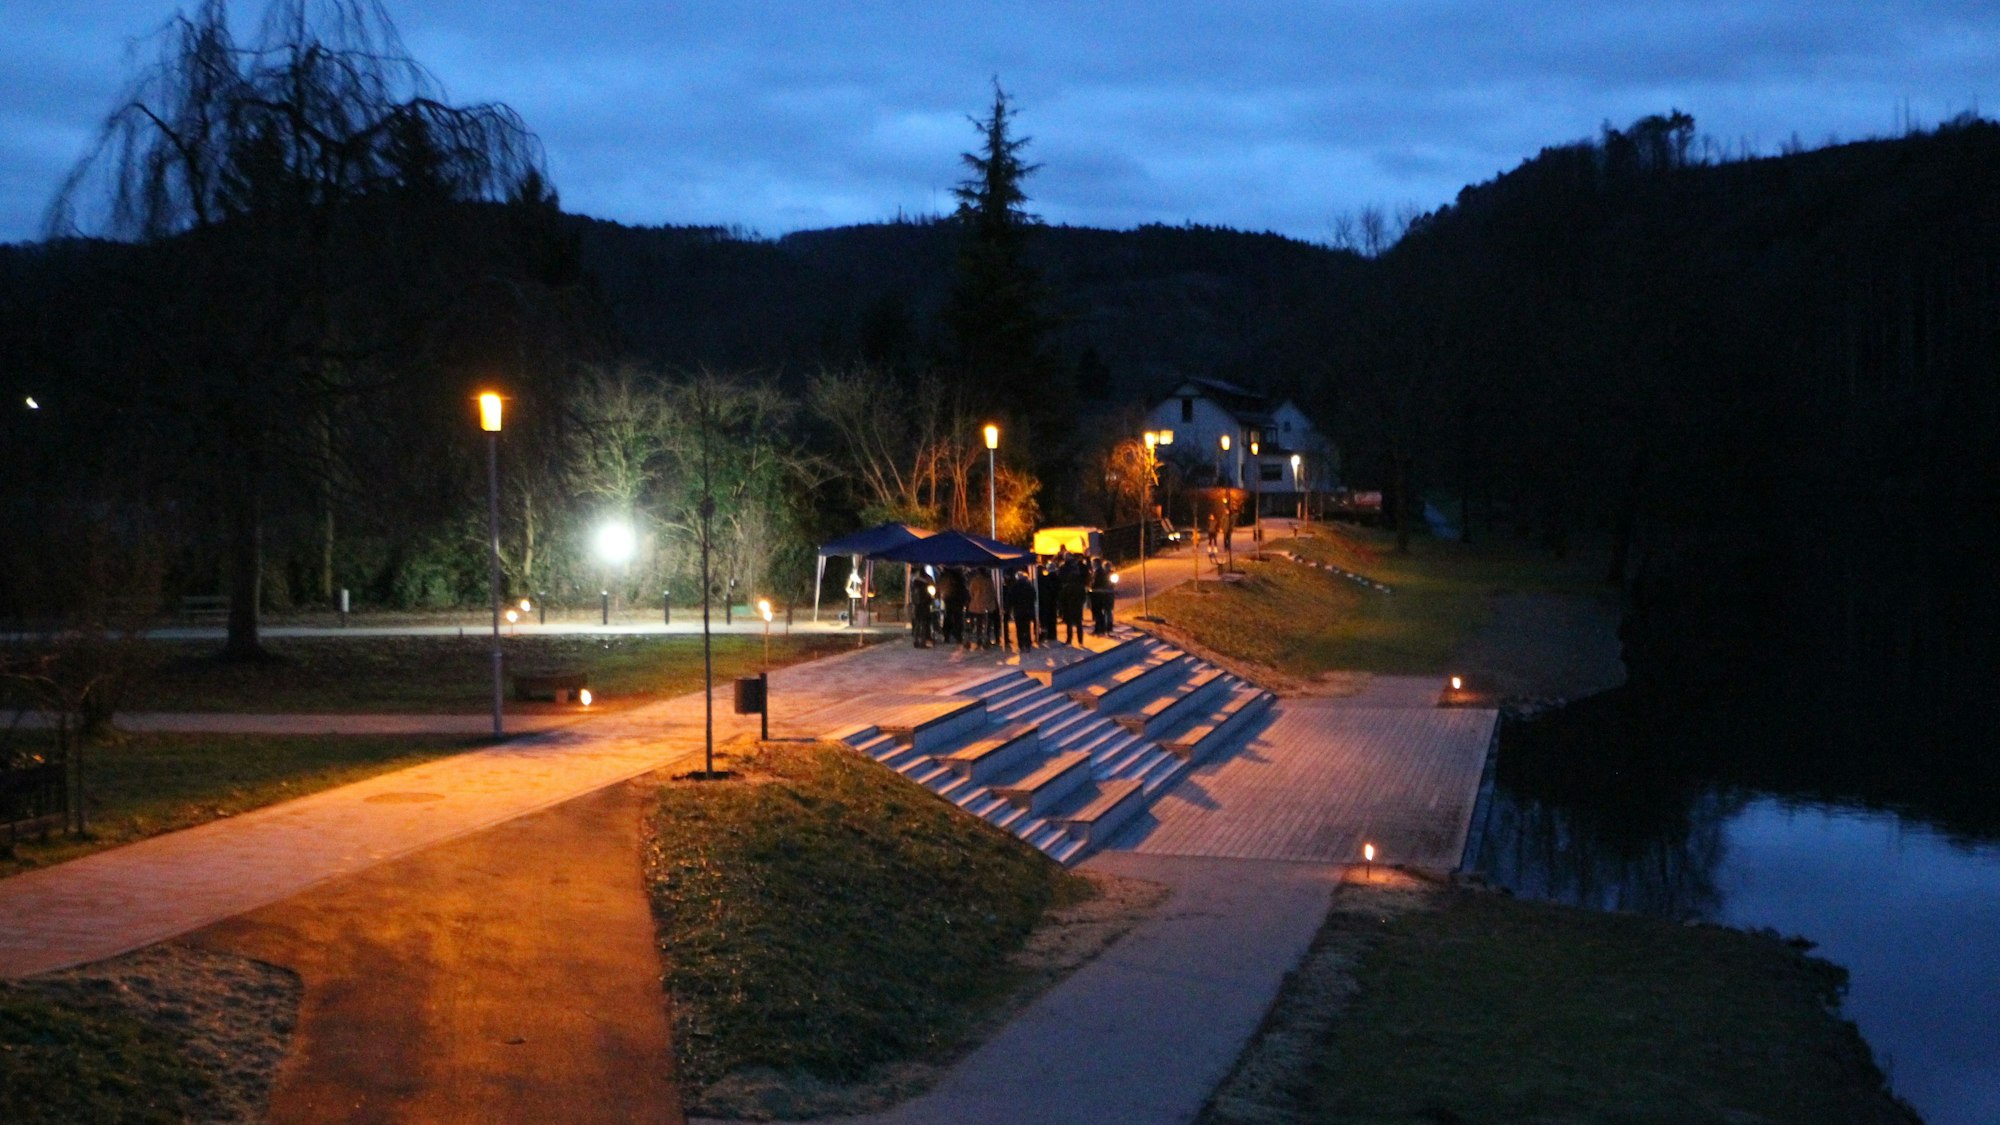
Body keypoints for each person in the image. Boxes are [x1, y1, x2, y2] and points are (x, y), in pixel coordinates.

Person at [1058, 555, 1088, 644]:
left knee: (1069, 623)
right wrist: (1081, 603)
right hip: (1077, 605)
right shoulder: (1080, 586)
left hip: (1068, 606)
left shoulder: (1066, 587)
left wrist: (1062, 606)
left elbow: (1062, 597)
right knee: (1079, 623)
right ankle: (1080, 640)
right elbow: (1083, 596)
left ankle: (1069, 639)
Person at [966, 567, 996, 649]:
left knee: (978, 623)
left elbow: (970, 592)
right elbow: (992, 592)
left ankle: (979, 638)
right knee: (987, 623)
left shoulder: (974, 580)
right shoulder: (988, 581)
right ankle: (986, 638)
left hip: (976, 605)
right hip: (987, 605)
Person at [1007, 570, 1036, 652]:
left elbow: (1010, 599)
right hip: (1028, 610)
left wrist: (1009, 608)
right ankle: (1028, 644)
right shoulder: (1029, 586)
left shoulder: (1014, 587)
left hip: (1018, 610)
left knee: (1019, 628)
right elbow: (1033, 597)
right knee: (1027, 627)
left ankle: (1021, 645)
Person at [939, 566, 968, 645]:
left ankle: (947, 636)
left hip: (949, 599)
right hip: (957, 600)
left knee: (948, 617)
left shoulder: (945, 576)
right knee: (957, 618)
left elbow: (942, 587)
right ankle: (958, 636)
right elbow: (963, 588)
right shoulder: (960, 577)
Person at [1088, 558, 1114, 635]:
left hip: (1098, 595)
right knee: (1099, 612)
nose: (1092, 565)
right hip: (1098, 595)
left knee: (1099, 612)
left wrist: (1091, 587)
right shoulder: (1096, 572)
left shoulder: (1099, 572)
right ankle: (1100, 628)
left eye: (1093, 563)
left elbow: (1096, 583)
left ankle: (1101, 629)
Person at [910, 569, 935, 648]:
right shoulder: (926, 585)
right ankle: (923, 642)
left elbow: (913, 595)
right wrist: (931, 599)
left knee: (917, 623)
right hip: (924, 605)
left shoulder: (914, 583)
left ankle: (916, 641)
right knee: (924, 623)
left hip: (917, 605)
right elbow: (930, 595)